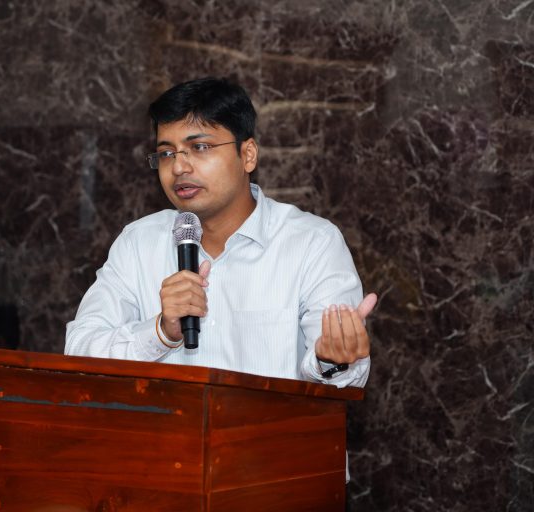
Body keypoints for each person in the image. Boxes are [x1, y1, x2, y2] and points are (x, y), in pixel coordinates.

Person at [65, 77, 376, 388]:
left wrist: (331, 359)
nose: (179, 168)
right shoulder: (138, 243)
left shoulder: (312, 243)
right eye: (167, 153)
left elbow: (346, 381)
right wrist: (160, 332)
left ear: (248, 154)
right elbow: (78, 352)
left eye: (199, 147)